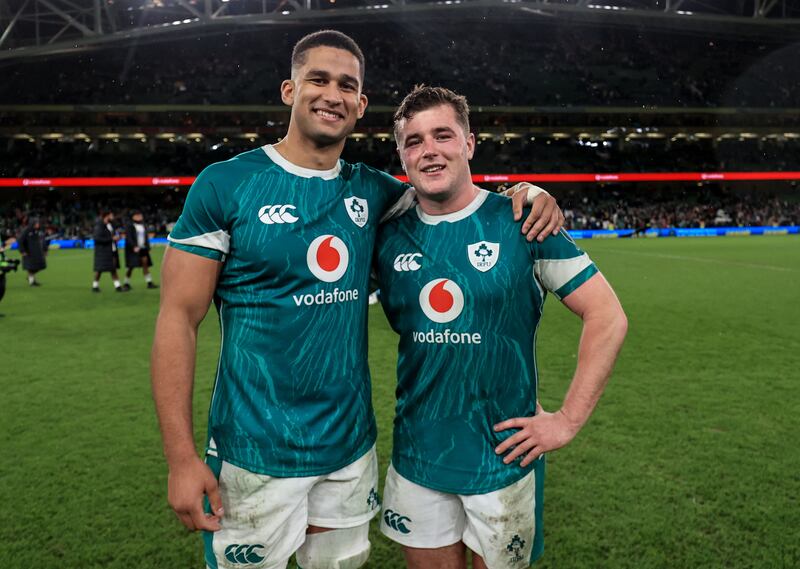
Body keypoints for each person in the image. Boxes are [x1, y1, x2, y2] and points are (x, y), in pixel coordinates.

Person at [151, 30, 563, 569]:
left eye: (347, 85)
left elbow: (452, 194)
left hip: (349, 451)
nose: (332, 94)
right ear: (288, 90)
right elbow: (178, 319)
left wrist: (525, 191)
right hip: (254, 453)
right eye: (317, 79)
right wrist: (181, 458)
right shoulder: (225, 185)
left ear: (361, 104)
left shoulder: (376, 192)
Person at [374, 86, 628, 569]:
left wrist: (568, 420)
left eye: (443, 135)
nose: (429, 149)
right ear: (402, 157)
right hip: (417, 457)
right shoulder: (385, 234)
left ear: (470, 143)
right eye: (414, 141)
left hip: (505, 458)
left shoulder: (522, 221)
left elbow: (608, 316)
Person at [92, 210, 126, 292]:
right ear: (106, 216)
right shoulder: (99, 226)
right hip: (103, 251)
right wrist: (111, 239)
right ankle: (95, 286)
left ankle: (117, 286)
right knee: (100, 269)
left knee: (112, 268)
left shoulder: (110, 225)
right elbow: (97, 238)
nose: (113, 217)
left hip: (112, 249)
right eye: (111, 215)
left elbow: (111, 236)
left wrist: (117, 238)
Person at [123, 210, 158, 290]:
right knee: (131, 267)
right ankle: (126, 283)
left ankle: (149, 282)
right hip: (133, 249)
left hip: (143, 248)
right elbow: (129, 237)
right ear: (133, 216)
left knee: (145, 265)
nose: (140, 216)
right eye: (138, 215)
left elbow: (146, 238)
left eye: (140, 215)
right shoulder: (130, 225)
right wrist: (133, 246)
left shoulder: (143, 225)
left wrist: (148, 247)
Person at [18, 217, 48, 286]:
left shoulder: (40, 231)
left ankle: (30, 277)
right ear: (33, 223)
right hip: (29, 253)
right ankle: (32, 281)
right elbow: (20, 240)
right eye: (37, 223)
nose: (38, 224)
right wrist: (22, 251)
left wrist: (45, 250)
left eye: (38, 223)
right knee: (31, 268)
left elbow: (43, 241)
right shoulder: (26, 230)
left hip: (38, 253)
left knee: (41, 266)